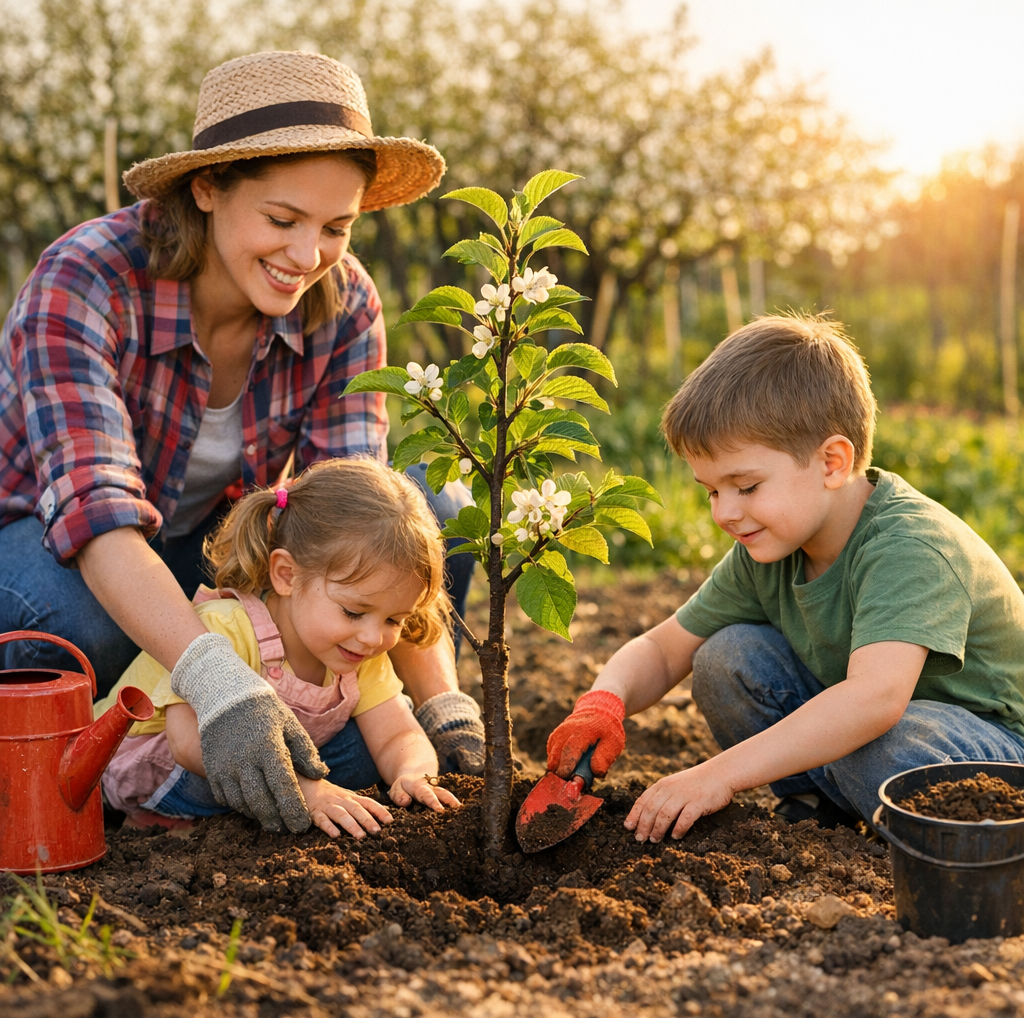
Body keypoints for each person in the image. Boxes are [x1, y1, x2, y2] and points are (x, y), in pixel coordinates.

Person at [0, 50, 487, 834]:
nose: (308, 257)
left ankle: (262, 757)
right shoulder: (87, 279)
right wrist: (221, 684)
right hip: (55, 555)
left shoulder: (343, 302)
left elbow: (365, 514)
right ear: (207, 188)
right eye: (282, 220)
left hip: (204, 554)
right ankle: (114, 757)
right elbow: (95, 523)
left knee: (432, 510)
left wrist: (441, 708)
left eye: (337, 227)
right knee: (82, 627)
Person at [546, 313, 1024, 843]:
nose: (724, 512)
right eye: (711, 491)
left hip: (992, 759)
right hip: (875, 747)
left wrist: (716, 775)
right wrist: (603, 702)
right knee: (725, 657)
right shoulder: (768, 550)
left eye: (746, 486)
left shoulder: (910, 546)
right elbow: (664, 650)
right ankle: (823, 811)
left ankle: (950, 839)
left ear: (832, 463)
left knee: (880, 741)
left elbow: (874, 700)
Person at [97, 457, 461, 834]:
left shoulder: (359, 651)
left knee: (366, 752)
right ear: (287, 575)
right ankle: (161, 820)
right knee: (237, 760)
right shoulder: (228, 627)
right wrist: (306, 790)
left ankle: (253, 818)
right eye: (354, 612)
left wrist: (413, 775)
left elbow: (399, 735)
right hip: (161, 768)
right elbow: (187, 744)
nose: (373, 637)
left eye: (394, 620)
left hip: (262, 766)